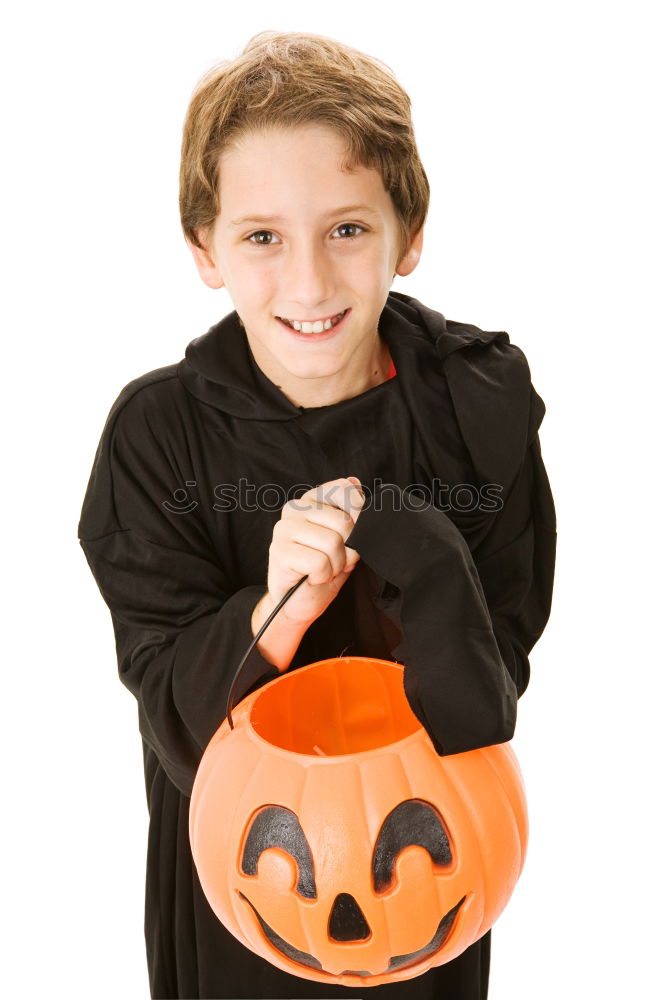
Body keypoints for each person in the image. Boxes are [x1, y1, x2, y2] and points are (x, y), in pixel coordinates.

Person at [78, 29, 557, 1000]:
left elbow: (485, 696)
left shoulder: (477, 410)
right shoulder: (157, 437)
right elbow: (173, 703)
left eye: (347, 228)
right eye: (261, 236)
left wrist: (416, 543)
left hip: (423, 874)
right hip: (250, 890)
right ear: (204, 249)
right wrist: (281, 606)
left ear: (408, 235)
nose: (307, 283)